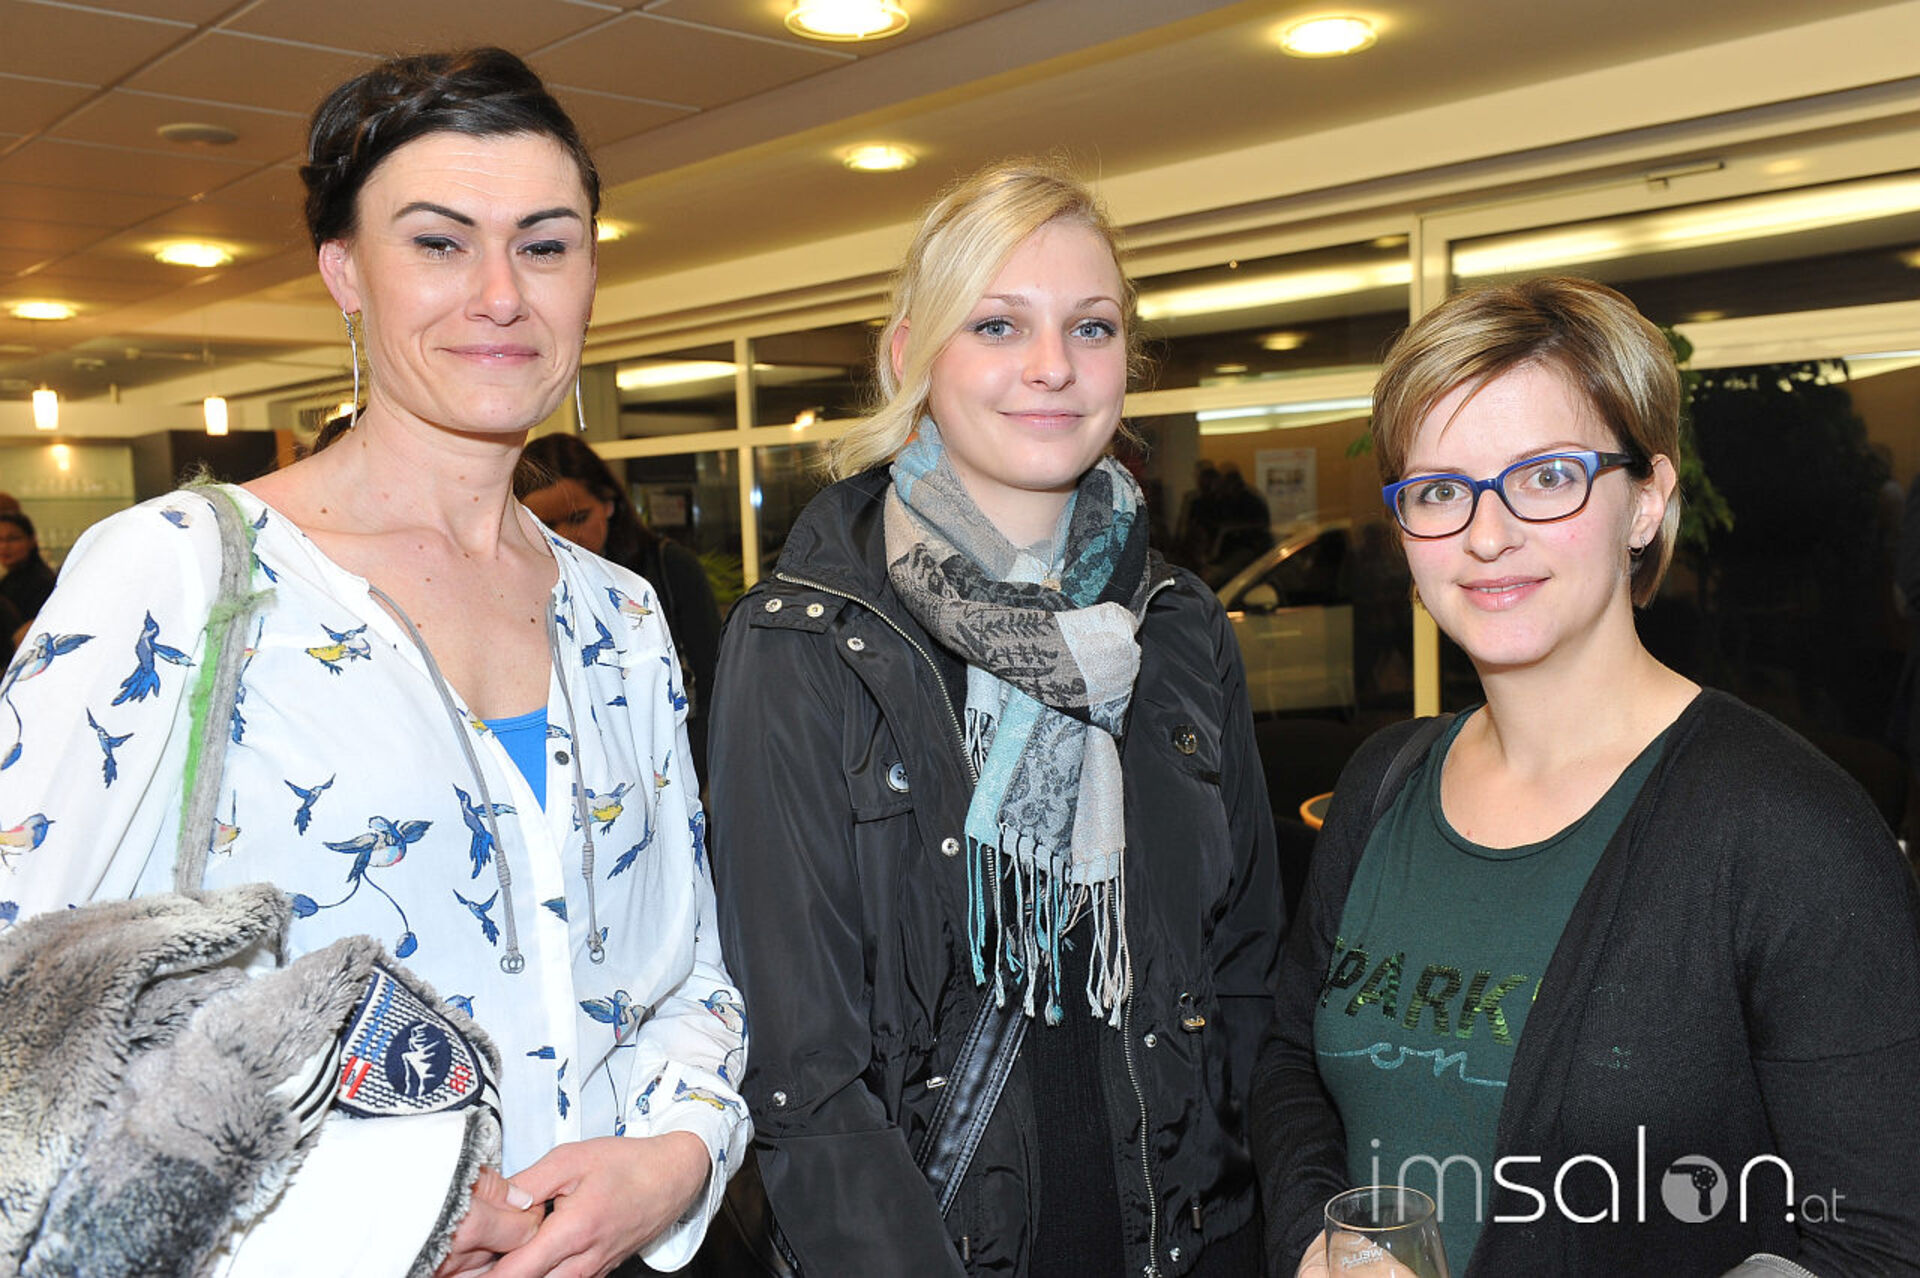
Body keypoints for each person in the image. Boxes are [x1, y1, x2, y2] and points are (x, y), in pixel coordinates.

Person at [0, 48, 747, 1278]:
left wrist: (678, 1156)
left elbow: (687, 968)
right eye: (439, 243)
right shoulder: (184, 575)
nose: (501, 294)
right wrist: (381, 1203)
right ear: (345, 271)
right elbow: (27, 1015)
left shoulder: (622, 613)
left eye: (546, 245)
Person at [1252, 277, 1920, 1277]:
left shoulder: (1790, 831)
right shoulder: (1382, 783)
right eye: (1440, 490)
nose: (1486, 534)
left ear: (1647, 500)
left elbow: (1875, 1238)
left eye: (1547, 476)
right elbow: (1290, 1060)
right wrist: (1320, 1235)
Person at [706, 161, 1281, 1277]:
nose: (1053, 365)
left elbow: (1245, 970)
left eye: (1092, 326)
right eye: (998, 324)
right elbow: (802, 1068)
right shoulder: (802, 640)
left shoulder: (1178, 623)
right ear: (910, 358)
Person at [517, 434, 722, 781]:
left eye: (578, 517)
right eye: (544, 525)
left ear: (609, 504)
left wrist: (688, 776)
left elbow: (715, 685)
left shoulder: (670, 569)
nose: (564, 536)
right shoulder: (511, 590)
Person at [0, 511, 56, 625]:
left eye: (13, 539)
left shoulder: (41, 583)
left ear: (31, 541)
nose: (4, 546)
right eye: (0, 540)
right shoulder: (10, 579)